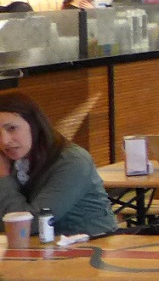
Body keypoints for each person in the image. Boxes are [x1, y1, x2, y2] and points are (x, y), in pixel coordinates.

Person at [0, 91, 118, 238]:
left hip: (91, 246)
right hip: (40, 249)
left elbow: (33, 224)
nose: (4, 140)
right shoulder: (10, 159)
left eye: (12, 128)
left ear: (34, 125)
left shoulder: (72, 161)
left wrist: (4, 178)